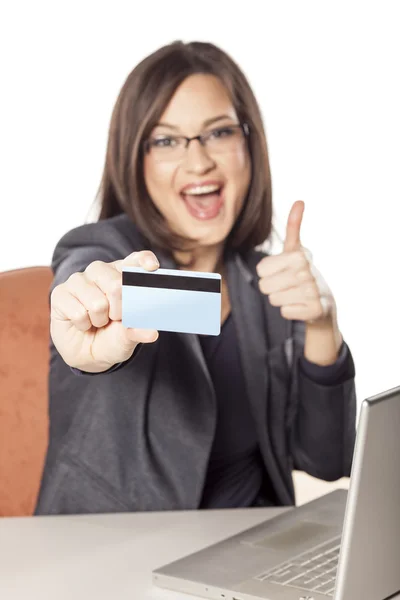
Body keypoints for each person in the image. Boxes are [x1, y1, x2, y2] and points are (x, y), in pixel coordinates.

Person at [35, 40, 356, 516]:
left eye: (219, 133)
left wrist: (323, 325)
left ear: (249, 144)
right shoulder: (99, 251)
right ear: (135, 159)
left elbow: (329, 462)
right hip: (114, 556)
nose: (199, 161)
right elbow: (91, 287)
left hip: (247, 553)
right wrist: (91, 311)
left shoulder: (266, 279)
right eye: (166, 140)